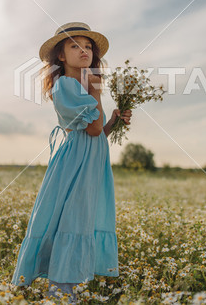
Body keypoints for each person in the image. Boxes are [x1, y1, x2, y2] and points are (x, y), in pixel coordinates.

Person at [11, 22, 132, 302]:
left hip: (91, 160)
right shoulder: (65, 84)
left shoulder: (84, 85)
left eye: (88, 46)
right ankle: (61, 291)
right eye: (75, 45)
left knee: (80, 219)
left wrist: (113, 120)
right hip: (76, 162)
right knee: (72, 219)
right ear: (61, 56)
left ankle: (67, 288)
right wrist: (97, 91)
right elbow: (89, 130)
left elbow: (98, 132)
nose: (84, 50)